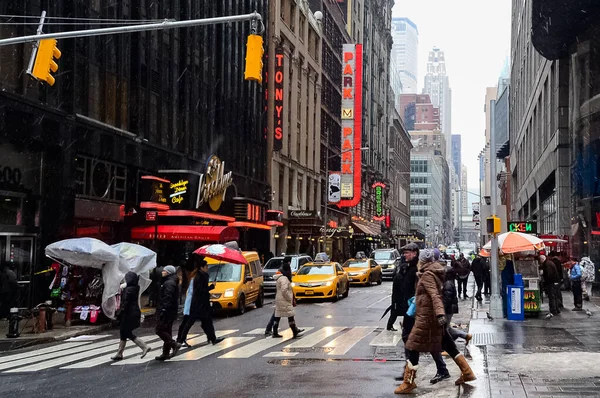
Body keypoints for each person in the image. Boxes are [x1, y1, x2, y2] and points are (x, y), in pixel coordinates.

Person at [395, 249, 476, 394]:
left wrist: (440, 314)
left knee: (412, 345)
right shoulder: (434, 272)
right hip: (431, 317)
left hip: (426, 318)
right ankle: (467, 372)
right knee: (447, 344)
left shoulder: (427, 275)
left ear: (422, 261)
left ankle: (408, 382)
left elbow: (435, 296)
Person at [176, 256, 224, 349]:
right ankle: (181, 340)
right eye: (206, 267)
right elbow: (202, 290)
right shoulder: (203, 276)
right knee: (194, 322)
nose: (207, 269)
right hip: (200, 304)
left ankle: (212, 338)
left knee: (204, 322)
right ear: (202, 267)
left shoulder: (197, 275)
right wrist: (211, 287)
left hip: (197, 304)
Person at [111, 272, 150, 360]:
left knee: (126, 332)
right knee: (123, 332)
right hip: (132, 313)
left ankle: (144, 346)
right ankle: (119, 353)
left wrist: (118, 313)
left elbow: (125, 303)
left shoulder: (129, 290)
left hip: (129, 314)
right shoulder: (135, 287)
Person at [387, 243, 419, 332]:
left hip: (414, 303)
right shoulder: (407, 267)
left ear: (414, 253)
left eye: (407, 253)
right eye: (404, 253)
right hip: (407, 303)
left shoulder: (416, 268)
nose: (405, 255)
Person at [272, 262, 304, 338]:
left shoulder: (280, 278)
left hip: (279, 299)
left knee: (278, 316)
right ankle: (294, 331)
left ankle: (275, 331)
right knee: (290, 315)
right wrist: (289, 297)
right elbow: (284, 290)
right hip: (284, 300)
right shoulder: (284, 278)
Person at [155, 265, 179, 361]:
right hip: (171, 311)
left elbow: (167, 298)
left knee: (159, 330)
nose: (162, 272)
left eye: (164, 270)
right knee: (167, 330)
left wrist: (164, 310)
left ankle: (174, 344)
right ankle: (165, 353)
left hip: (167, 311)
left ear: (168, 272)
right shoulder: (170, 281)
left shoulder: (169, 283)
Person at [443, 266, 472, 343]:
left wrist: (442, 309)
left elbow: (447, 299)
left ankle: (449, 346)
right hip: (450, 308)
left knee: (444, 329)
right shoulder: (449, 282)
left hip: (448, 309)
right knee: (447, 327)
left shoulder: (448, 284)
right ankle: (464, 335)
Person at [176, 267, 196, 348]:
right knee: (187, 322)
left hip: (190, 304)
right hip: (191, 305)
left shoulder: (192, 279)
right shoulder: (194, 280)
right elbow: (193, 292)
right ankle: (181, 339)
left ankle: (180, 339)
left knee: (186, 322)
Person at [538, 254, 560, 319]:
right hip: (554, 282)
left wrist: (545, 278)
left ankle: (553, 310)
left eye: (540, 260)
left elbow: (549, 274)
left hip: (551, 283)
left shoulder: (547, 264)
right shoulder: (549, 263)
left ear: (542, 259)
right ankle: (556, 309)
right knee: (554, 296)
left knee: (552, 297)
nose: (540, 262)